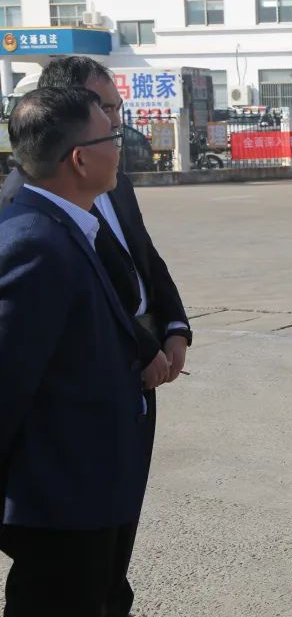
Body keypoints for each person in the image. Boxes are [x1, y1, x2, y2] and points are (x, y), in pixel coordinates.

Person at [0, 56, 192, 616]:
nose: (121, 143)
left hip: (89, 481)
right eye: (110, 133)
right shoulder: (33, 241)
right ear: (80, 159)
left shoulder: (68, 222)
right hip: (60, 497)